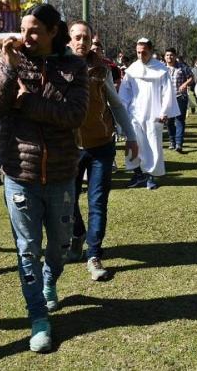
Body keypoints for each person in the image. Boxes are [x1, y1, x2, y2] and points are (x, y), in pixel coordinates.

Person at [0, 4, 89, 353]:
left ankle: (49, 281)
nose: (26, 37)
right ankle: (38, 317)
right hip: (19, 174)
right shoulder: (8, 61)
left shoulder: (74, 66)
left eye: (34, 31)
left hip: (60, 174)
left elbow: (75, 115)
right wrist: (10, 71)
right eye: (24, 30)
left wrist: (28, 105)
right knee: (27, 250)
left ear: (53, 31)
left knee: (57, 247)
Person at [66, 21, 138, 280]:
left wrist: (130, 136)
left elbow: (116, 104)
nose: (82, 42)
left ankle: (93, 254)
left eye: (86, 37)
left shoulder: (101, 68)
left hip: (101, 145)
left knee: (98, 202)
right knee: (67, 200)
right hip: (69, 148)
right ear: (68, 39)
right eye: (77, 37)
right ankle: (77, 235)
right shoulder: (57, 65)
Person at [119, 38, 179, 190]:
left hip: (154, 114)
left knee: (153, 146)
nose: (140, 55)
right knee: (133, 144)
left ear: (151, 51)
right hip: (135, 115)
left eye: (143, 52)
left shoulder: (161, 69)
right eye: (138, 52)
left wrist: (164, 112)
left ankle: (151, 177)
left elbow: (167, 93)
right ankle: (138, 174)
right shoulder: (132, 70)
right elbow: (125, 93)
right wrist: (123, 112)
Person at [164, 47, 193, 152]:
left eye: (171, 55)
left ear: (175, 56)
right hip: (167, 98)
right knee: (169, 121)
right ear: (165, 57)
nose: (169, 57)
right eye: (167, 55)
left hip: (180, 96)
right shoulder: (162, 68)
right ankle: (172, 141)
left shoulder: (182, 67)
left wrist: (185, 84)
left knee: (180, 120)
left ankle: (179, 144)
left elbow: (191, 77)